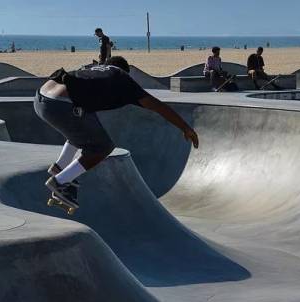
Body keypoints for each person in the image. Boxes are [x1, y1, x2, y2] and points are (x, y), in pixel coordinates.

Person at [34, 56, 199, 208]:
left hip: (41, 97)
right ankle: (60, 181)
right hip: (60, 104)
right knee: (102, 147)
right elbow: (157, 105)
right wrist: (185, 127)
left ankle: (59, 167)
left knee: (84, 128)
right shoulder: (123, 80)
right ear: (127, 72)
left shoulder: (92, 71)